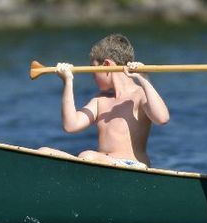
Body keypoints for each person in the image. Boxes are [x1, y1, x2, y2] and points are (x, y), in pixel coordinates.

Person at [39, 34, 170, 169]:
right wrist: (68, 81)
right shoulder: (99, 100)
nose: (92, 76)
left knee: (87, 156)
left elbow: (162, 118)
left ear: (106, 65)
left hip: (134, 167)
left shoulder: (140, 95)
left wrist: (143, 78)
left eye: (93, 69)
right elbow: (70, 125)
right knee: (43, 152)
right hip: (102, 165)